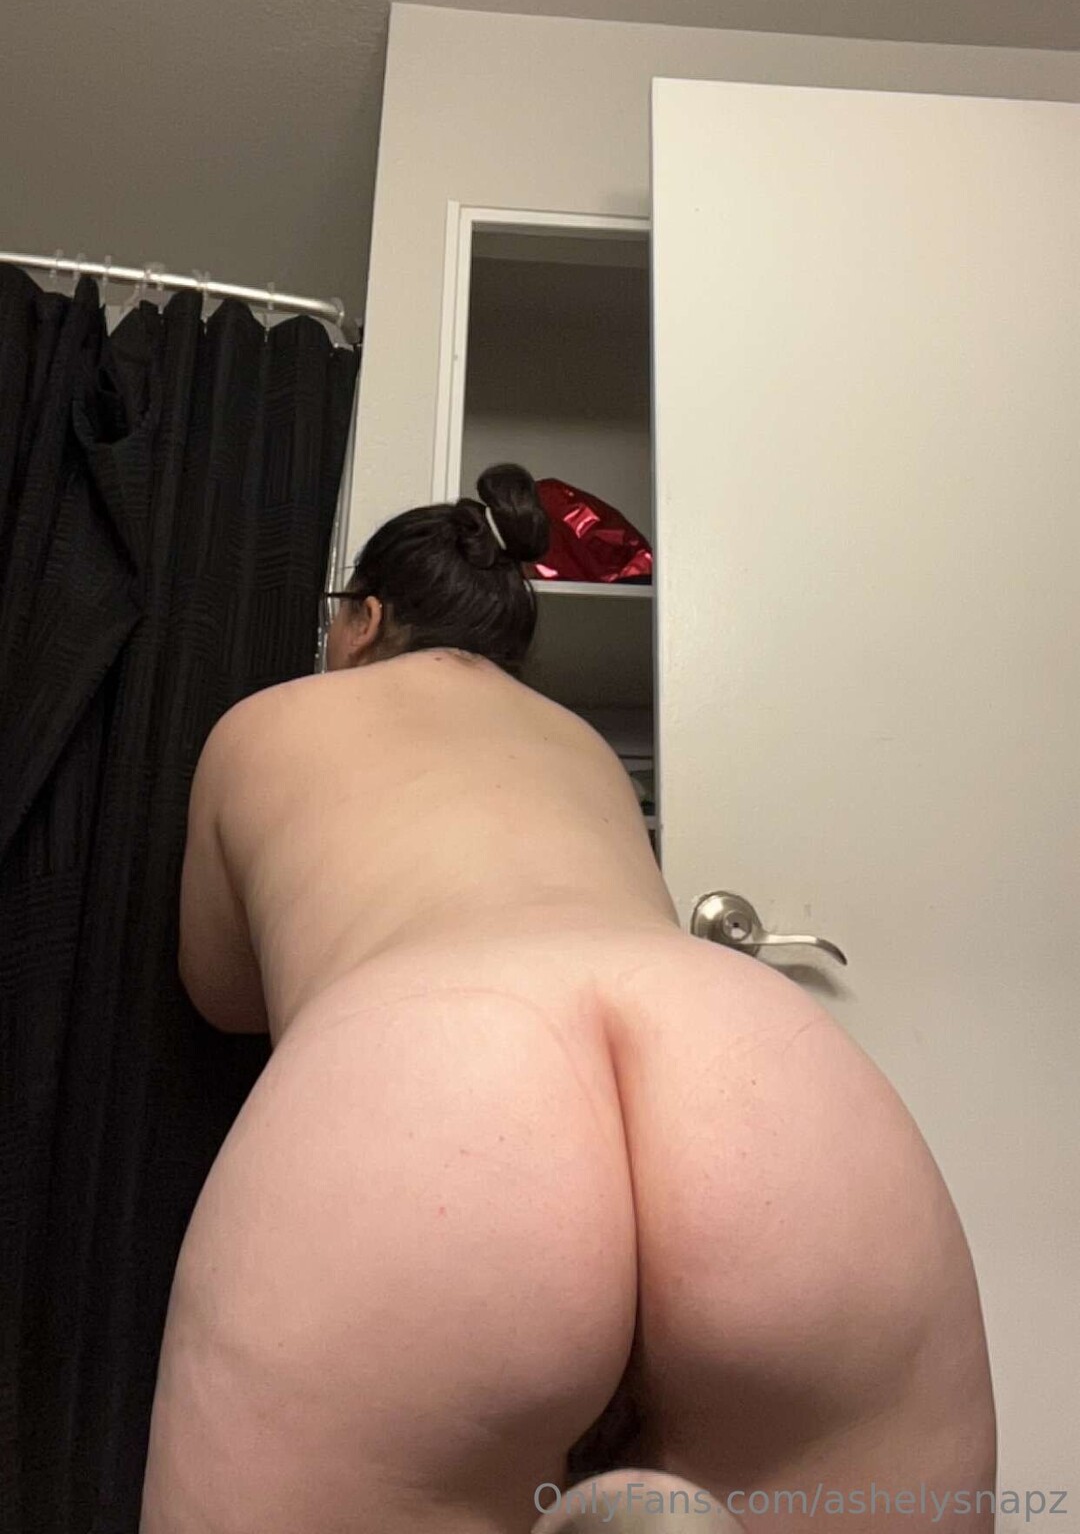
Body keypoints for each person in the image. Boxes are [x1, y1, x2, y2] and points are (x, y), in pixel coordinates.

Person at [140, 463, 996, 1534]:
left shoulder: (266, 724)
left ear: (364, 619)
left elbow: (219, 989)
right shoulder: (583, 746)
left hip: (423, 1091)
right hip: (758, 1074)